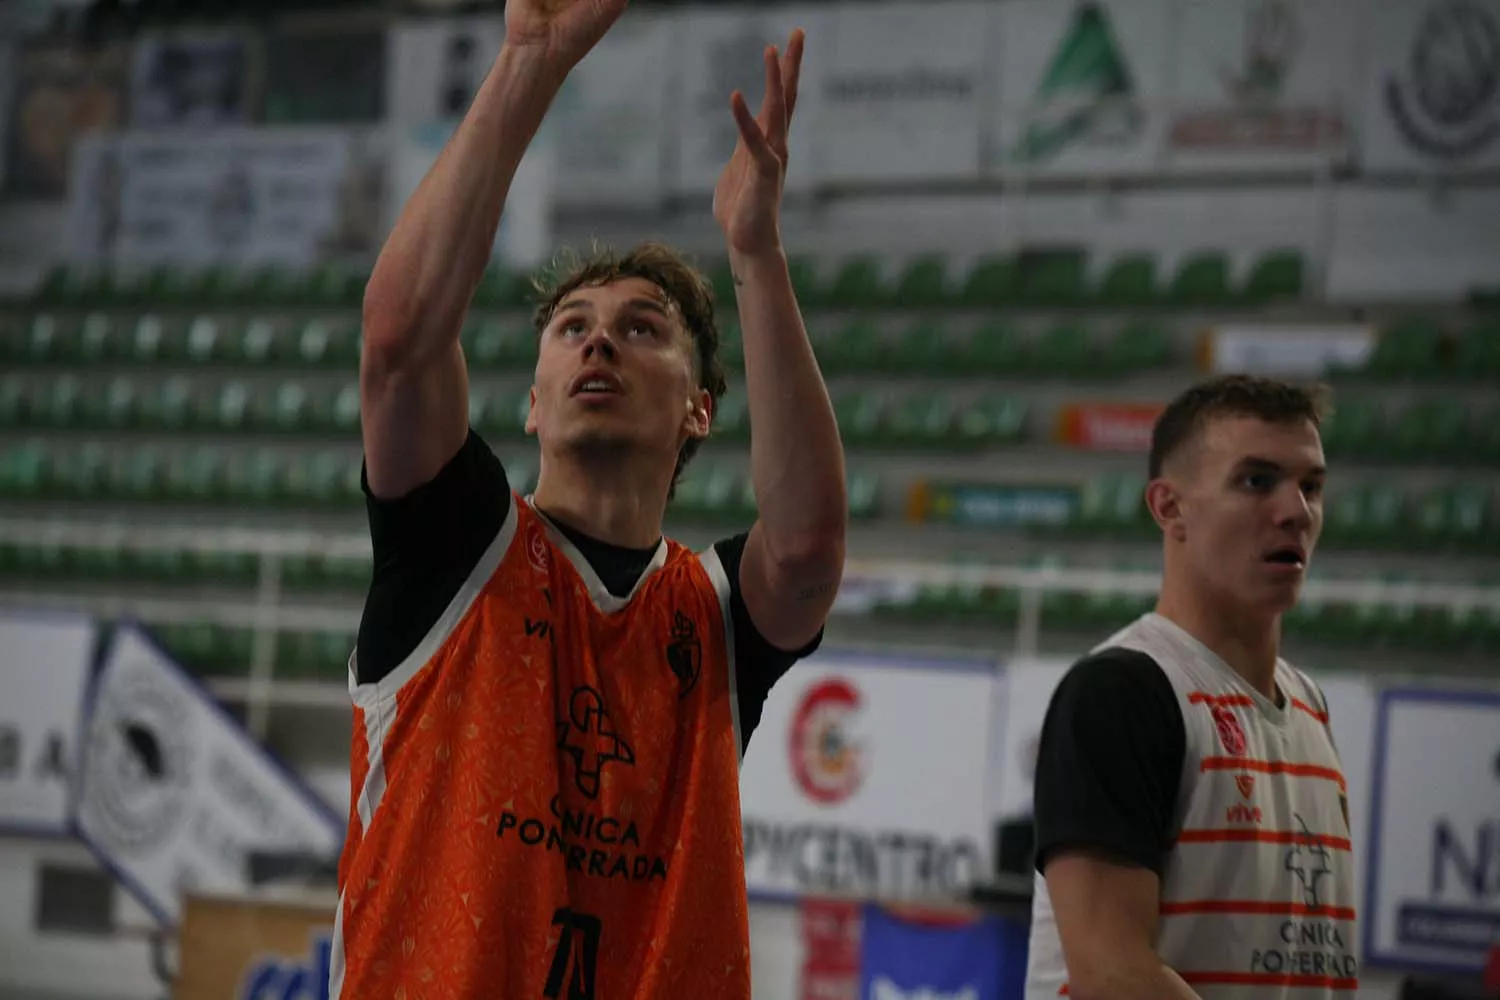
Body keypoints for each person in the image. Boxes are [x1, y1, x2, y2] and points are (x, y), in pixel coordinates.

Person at [332, 1, 845, 997]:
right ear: (530, 403)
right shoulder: (457, 545)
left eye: (642, 327)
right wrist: (527, 61)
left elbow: (811, 549)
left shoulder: (716, 610)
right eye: (571, 326)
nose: (599, 341)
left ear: (700, 410)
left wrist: (755, 254)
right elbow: (396, 344)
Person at [1025, 375, 1360, 1000]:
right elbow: (1111, 973)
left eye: (1310, 485)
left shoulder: (1310, 706)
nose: (1297, 511)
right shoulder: (1123, 691)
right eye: (1256, 481)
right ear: (1169, 507)